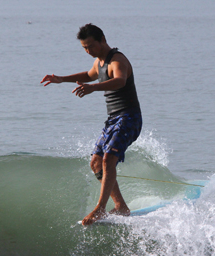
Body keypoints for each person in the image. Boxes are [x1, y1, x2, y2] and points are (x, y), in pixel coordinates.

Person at [41, 23, 142, 225]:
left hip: (129, 117)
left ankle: (100, 209)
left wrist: (92, 89)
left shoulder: (117, 60)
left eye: (91, 46)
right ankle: (121, 206)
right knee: (96, 162)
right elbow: (88, 75)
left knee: (109, 159)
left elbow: (120, 81)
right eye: (84, 48)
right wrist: (61, 79)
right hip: (113, 119)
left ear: (102, 39)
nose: (88, 51)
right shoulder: (99, 62)